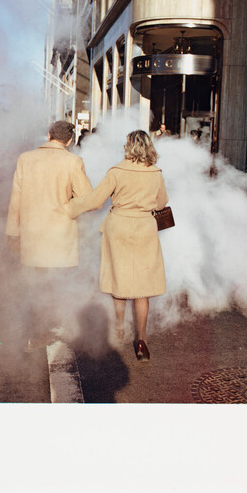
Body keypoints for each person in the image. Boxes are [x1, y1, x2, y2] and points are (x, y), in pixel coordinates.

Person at [65, 130, 169, 361]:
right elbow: (162, 202)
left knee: (117, 276)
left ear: (128, 147)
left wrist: (68, 209)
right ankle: (142, 340)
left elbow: (95, 200)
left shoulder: (116, 171)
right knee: (143, 288)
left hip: (118, 226)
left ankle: (120, 326)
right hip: (144, 228)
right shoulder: (156, 173)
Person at [5, 120, 93, 350]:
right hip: (60, 234)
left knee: (36, 283)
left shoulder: (26, 159)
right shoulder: (73, 161)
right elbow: (87, 199)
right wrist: (68, 210)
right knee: (56, 283)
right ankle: (52, 327)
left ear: (48, 135)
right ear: (70, 140)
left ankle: (34, 333)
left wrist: (13, 232)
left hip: (32, 233)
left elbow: (16, 200)